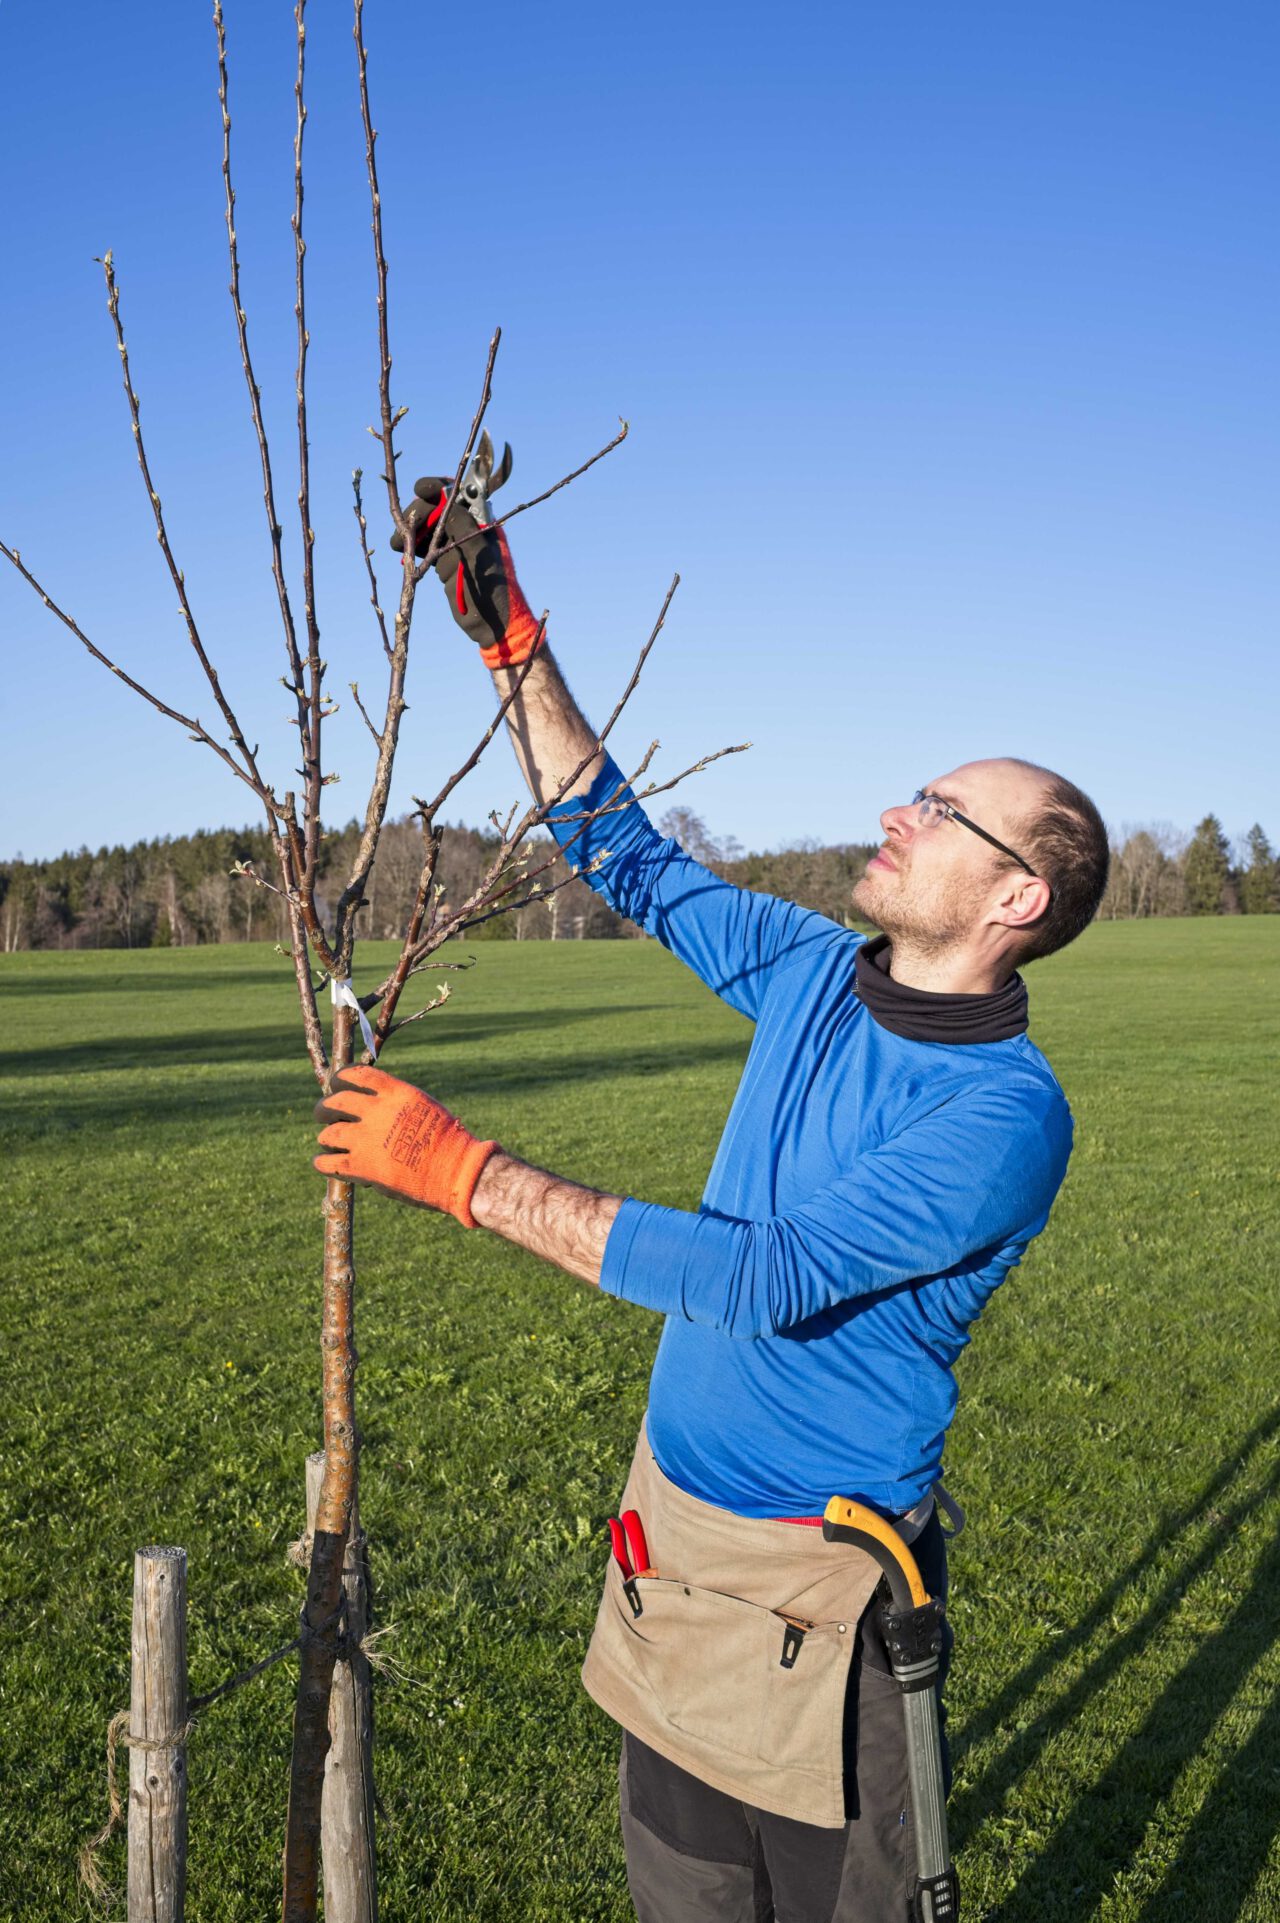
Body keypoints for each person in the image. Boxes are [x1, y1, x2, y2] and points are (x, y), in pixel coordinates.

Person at [315, 474, 1110, 1923]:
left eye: (944, 813)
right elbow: (620, 849)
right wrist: (510, 639)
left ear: (1018, 903)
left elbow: (760, 1276)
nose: (900, 810)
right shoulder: (813, 973)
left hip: (827, 1590)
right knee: (681, 1899)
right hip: (670, 1544)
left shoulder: (1004, 1115)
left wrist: (463, 1174)